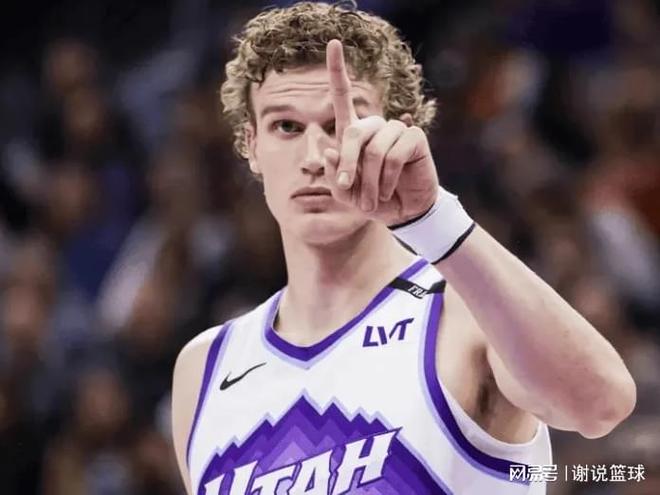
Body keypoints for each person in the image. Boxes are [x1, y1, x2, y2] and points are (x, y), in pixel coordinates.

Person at [171, 2, 636, 494]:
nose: (314, 157)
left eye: (340, 125)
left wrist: (435, 219)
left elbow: (600, 406)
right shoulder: (204, 368)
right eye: (286, 127)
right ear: (250, 145)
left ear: (399, 133)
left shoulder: (465, 311)